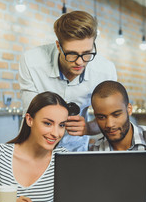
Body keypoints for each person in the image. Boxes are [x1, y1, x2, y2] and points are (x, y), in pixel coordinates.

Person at [18, 10, 117, 152]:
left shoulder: (105, 70)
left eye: (87, 53)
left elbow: (111, 119)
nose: (80, 62)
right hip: (35, 146)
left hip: (76, 149)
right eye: (72, 54)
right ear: (58, 46)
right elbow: (31, 116)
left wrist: (88, 127)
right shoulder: (31, 62)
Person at [0, 92, 69, 202]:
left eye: (61, 125)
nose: (56, 133)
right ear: (29, 120)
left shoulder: (63, 158)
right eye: (48, 123)